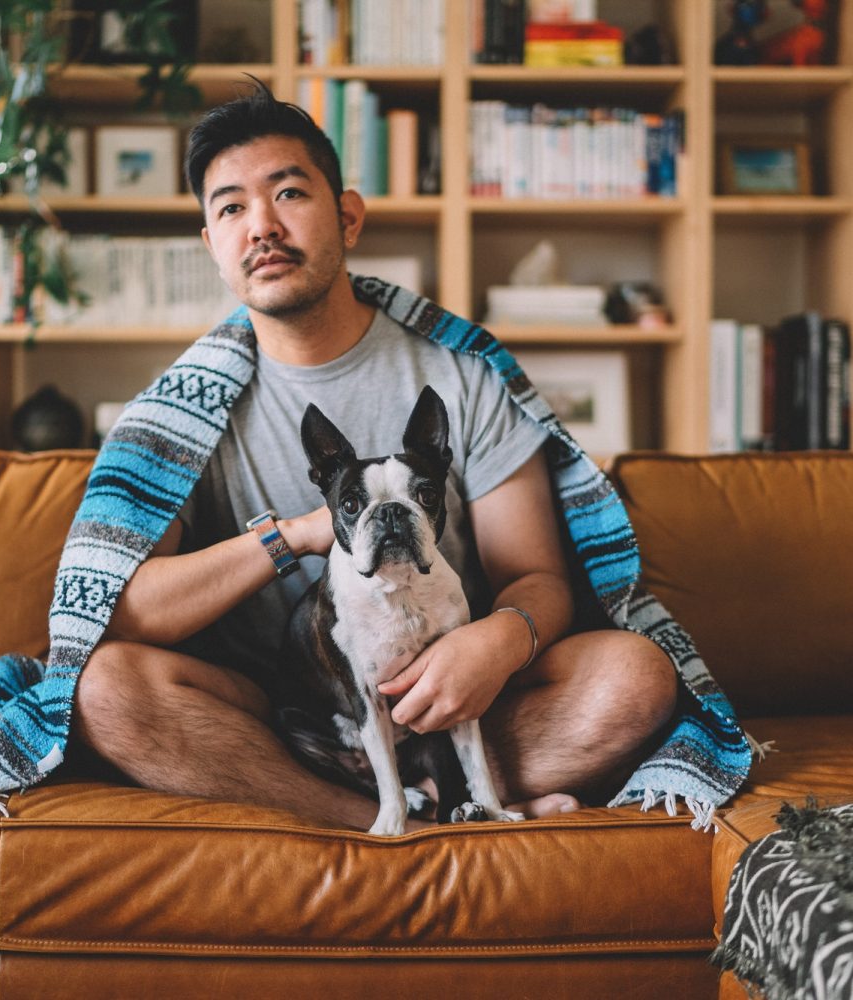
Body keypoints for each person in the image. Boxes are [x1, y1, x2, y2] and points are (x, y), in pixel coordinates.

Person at [71, 81, 679, 831]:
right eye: (230, 207)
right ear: (212, 246)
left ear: (347, 217)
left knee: (638, 676)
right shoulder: (183, 413)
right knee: (105, 689)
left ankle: (441, 787)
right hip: (287, 711)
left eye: (288, 193)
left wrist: (497, 643)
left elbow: (539, 577)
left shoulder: (460, 374)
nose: (261, 225)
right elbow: (129, 612)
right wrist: (292, 536)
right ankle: (399, 816)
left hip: (463, 693)